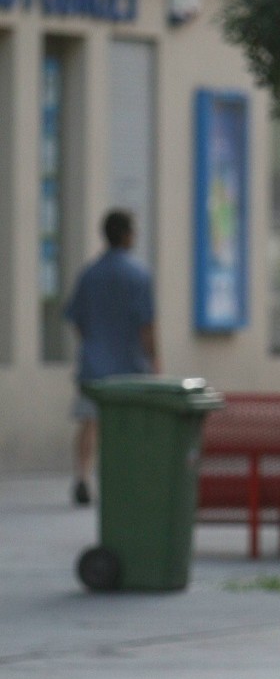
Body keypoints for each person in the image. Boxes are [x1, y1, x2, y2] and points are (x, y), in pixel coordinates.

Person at [64, 209, 158, 505]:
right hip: (129, 366)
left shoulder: (90, 274)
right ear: (127, 235)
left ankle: (82, 477)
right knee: (126, 428)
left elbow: (75, 318)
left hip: (94, 363)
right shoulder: (139, 275)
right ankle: (123, 479)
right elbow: (147, 326)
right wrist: (154, 361)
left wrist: (92, 342)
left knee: (89, 422)